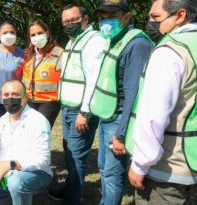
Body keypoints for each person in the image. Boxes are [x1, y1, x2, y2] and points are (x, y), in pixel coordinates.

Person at [125, 0, 197, 204]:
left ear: (180, 15)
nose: (150, 23)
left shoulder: (169, 51)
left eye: (156, 18)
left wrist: (140, 165)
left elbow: (154, 115)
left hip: (168, 167)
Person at [89, 0, 154, 204]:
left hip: (118, 121)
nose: (105, 21)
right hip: (107, 116)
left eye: (111, 16)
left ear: (127, 16)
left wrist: (121, 134)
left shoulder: (137, 44)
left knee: (112, 175)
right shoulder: (115, 38)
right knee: (104, 167)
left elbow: (134, 93)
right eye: (101, 17)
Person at [50, 4, 108, 203]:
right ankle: (71, 189)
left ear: (84, 19)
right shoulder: (74, 40)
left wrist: (85, 111)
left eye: (73, 20)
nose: (69, 24)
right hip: (68, 107)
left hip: (80, 111)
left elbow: (94, 79)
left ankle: (72, 199)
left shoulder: (94, 41)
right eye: (65, 21)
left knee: (76, 157)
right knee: (69, 152)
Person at [0, 80, 52, 205]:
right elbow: (1, 150)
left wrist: (13, 164)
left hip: (36, 173)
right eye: (6, 95)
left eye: (15, 94)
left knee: (16, 182)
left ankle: (21, 195)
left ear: (25, 98)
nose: (10, 98)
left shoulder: (38, 120)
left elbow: (44, 160)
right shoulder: (3, 120)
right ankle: (16, 197)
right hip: (10, 173)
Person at [15, 20, 63, 128]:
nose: (37, 36)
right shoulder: (28, 54)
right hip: (29, 101)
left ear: (47, 33)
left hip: (48, 102)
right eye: (33, 35)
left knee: (40, 131)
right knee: (28, 132)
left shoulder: (59, 53)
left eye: (40, 33)